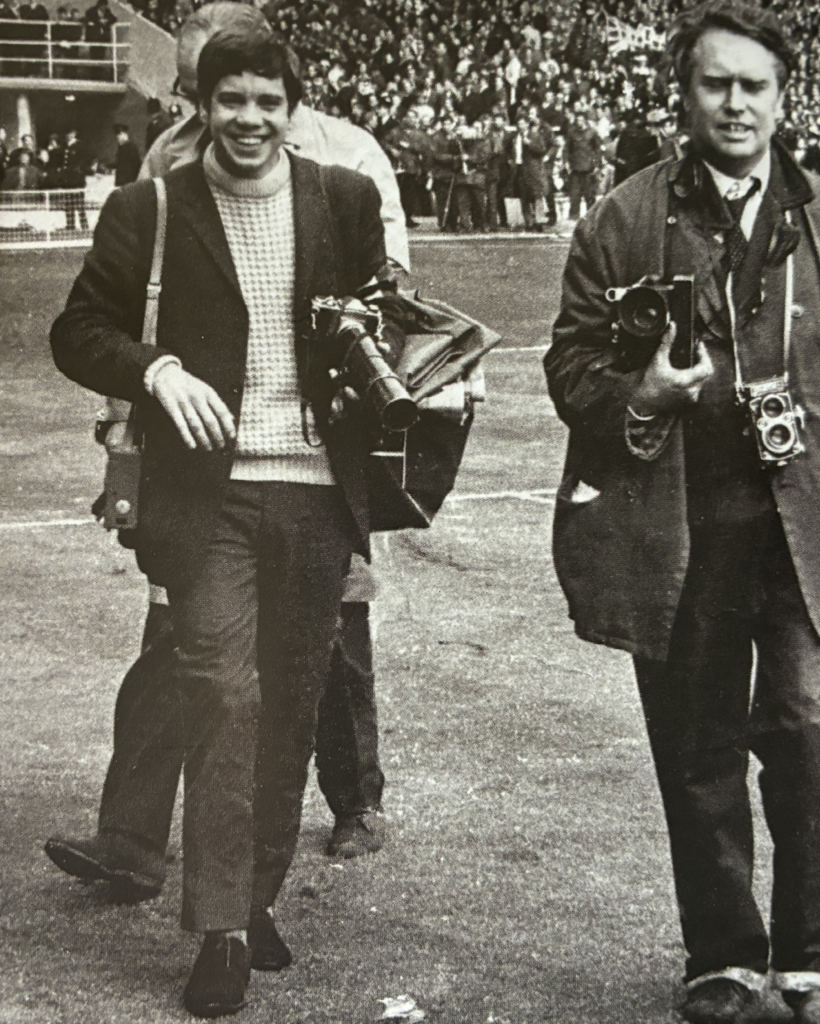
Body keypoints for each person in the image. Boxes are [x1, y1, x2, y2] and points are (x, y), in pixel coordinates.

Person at [543, 4, 820, 1024]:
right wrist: (643, 393)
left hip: (812, 524)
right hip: (678, 529)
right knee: (697, 746)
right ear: (682, 94)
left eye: (752, 86)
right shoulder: (622, 217)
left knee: (813, 735)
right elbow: (569, 368)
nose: (733, 103)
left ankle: (813, 966)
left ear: (781, 98)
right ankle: (720, 958)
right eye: (714, 83)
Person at [44, 0, 403, 928]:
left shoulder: (344, 194)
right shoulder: (152, 201)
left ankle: (255, 897)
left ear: (292, 107)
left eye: (267, 102)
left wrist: (377, 350)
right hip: (206, 491)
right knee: (221, 692)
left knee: (289, 706)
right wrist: (156, 371)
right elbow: (79, 330)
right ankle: (221, 928)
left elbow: (388, 313)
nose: (249, 119)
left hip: (316, 492)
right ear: (200, 104)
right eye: (229, 100)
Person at [564, 110, 603, 219]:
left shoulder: (592, 132)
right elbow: (567, 149)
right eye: (577, 120)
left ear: (585, 121)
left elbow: (597, 149)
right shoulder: (571, 133)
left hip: (588, 168)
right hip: (575, 168)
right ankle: (573, 217)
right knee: (574, 195)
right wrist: (566, 161)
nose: (579, 122)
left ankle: (591, 217)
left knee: (589, 195)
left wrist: (597, 164)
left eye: (581, 120)